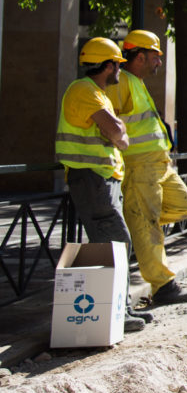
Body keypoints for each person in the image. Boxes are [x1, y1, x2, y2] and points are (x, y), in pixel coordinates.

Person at [55, 37, 147, 332]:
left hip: (99, 178)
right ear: (108, 66)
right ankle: (118, 312)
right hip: (92, 178)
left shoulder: (94, 92)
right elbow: (116, 131)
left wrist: (117, 132)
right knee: (115, 241)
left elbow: (117, 132)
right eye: (118, 64)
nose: (120, 69)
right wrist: (116, 132)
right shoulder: (84, 91)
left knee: (112, 243)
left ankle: (121, 309)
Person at [106, 29, 187, 307]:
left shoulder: (135, 81)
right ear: (141, 57)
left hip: (159, 166)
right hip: (140, 167)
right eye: (156, 57)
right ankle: (163, 286)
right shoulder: (121, 83)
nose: (159, 62)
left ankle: (141, 228)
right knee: (148, 226)